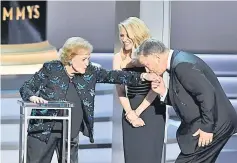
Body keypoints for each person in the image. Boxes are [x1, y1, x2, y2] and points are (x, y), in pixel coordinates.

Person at [19, 37, 158, 163]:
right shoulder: (51, 68)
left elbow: (114, 76)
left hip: (69, 133)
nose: (87, 63)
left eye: (88, 59)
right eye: (84, 59)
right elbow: (27, 87)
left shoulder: (90, 72)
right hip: (43, 131)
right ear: (70, 57)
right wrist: (32, 97)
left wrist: (143, 77)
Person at [134, 38, 237, 163]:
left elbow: (207, 93)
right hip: (212, 123)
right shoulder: (178, 62)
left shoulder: (183, 66)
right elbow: (188, 101)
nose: (147, 70)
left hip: (214, 125)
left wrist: (207, 128)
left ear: (156, 57)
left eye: (146, 65)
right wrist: (163, 92)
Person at [113, 17, 166, 163]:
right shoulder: (118, 58)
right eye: (121, 35)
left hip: (151, 109)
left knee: (149, 156)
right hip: (129, 109)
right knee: (133, 156)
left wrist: (137, 112)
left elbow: (155, 88)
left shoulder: (149, 55)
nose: (124, 39)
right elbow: (120, 89)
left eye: (127, 35)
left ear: (136, 34)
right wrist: (130, 113)